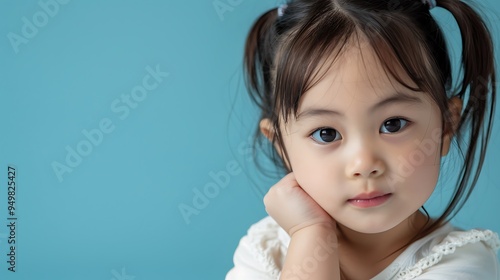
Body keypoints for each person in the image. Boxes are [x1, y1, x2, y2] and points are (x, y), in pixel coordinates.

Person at [226, 0, 500, 279]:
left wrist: (312, 235)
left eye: (392, 125)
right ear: (281, 145)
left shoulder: (463, 264)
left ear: (446, 126)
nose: (364, 163)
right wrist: (311, 235)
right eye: (327, 134)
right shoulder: (266, 250)